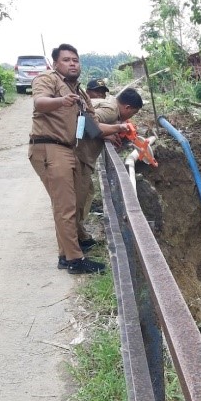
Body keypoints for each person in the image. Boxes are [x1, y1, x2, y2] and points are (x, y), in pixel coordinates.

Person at [28, 44, 129, 274]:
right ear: (56, 63)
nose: (72, 63)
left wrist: (118, 127)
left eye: (75, 60)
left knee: (70, 204)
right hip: (49, 147)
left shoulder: (80, 92)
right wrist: (61, 101)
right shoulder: (47, 79)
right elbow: (40, 103)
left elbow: (92, 126)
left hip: (68, 149)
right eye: (66, 60)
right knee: (65, 207)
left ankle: (67, 254)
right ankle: (74, 260)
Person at [75, 85, 144, 222]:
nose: (130, 117)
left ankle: (78, 231)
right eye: (133, 113)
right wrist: (104, 134)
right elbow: (84, 120)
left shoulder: (110, 102)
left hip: (77, 152)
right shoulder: (112, 111)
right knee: (83, 194)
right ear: (127, 107)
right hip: (77, 154)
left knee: (87, 191)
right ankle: (76, 232)